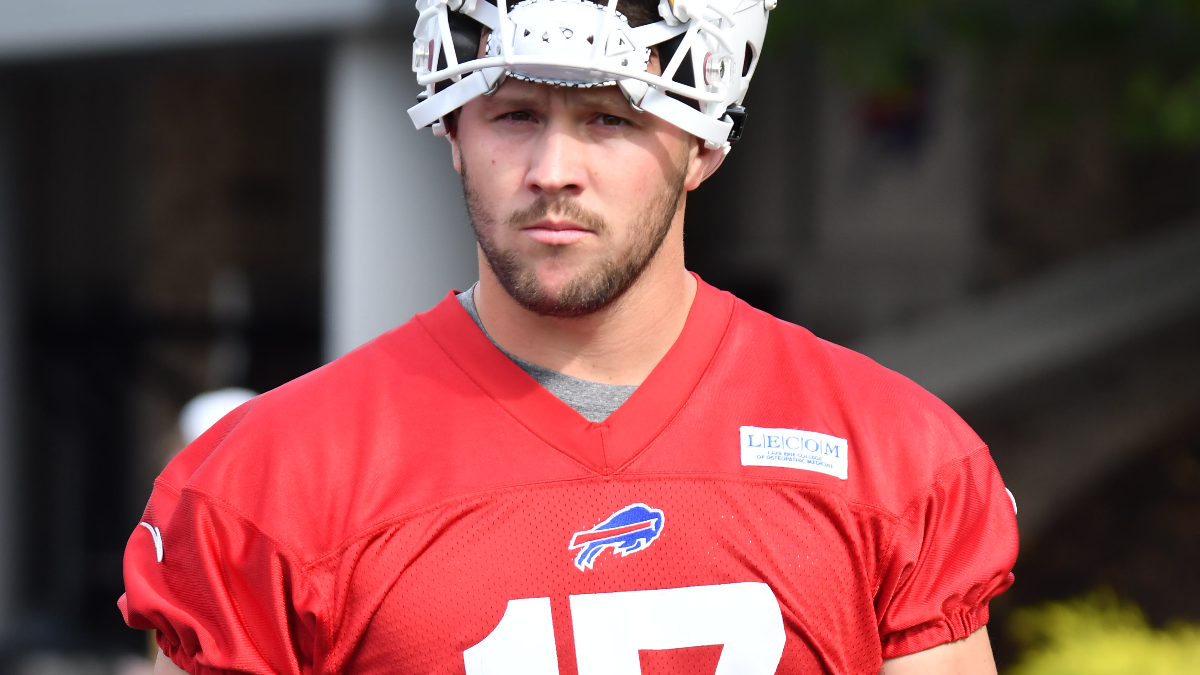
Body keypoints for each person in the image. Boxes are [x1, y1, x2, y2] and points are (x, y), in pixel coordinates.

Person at [120, 0, 1019, 672]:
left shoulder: (893, 453)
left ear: (704, 145)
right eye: (515, 115)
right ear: (452, 132)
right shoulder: (268, 480)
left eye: (609, 120)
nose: (554, 173)